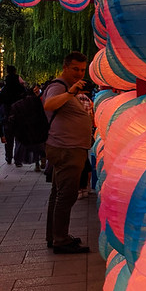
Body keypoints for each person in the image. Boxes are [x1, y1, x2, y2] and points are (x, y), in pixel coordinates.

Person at [42, 52, 92, 254]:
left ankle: (55, 236)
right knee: (66, 195)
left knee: (58, 194)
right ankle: (60, 240)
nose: (79, 74)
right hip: (66, 149)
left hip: (69, 148)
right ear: (65, 67)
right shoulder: (59, 86)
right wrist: (71, 92)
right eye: (75, 69)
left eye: (82, 70)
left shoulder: (66, 87)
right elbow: (49, 104)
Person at [8, 85, 48, 171]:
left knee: (35, 147)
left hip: (30, 128)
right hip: (38, 127)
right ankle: (43, 158)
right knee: (40, 145)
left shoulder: (22, 103)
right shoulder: (38, 101)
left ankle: (37, 164)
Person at [0, 65, 26, 165]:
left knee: (9, 138)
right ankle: (18, 159)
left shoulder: (4, 89)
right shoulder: (20, 88)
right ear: (15, 71)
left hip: (7, 116)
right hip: (19, 115)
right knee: (19, 139)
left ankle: (8, 156)